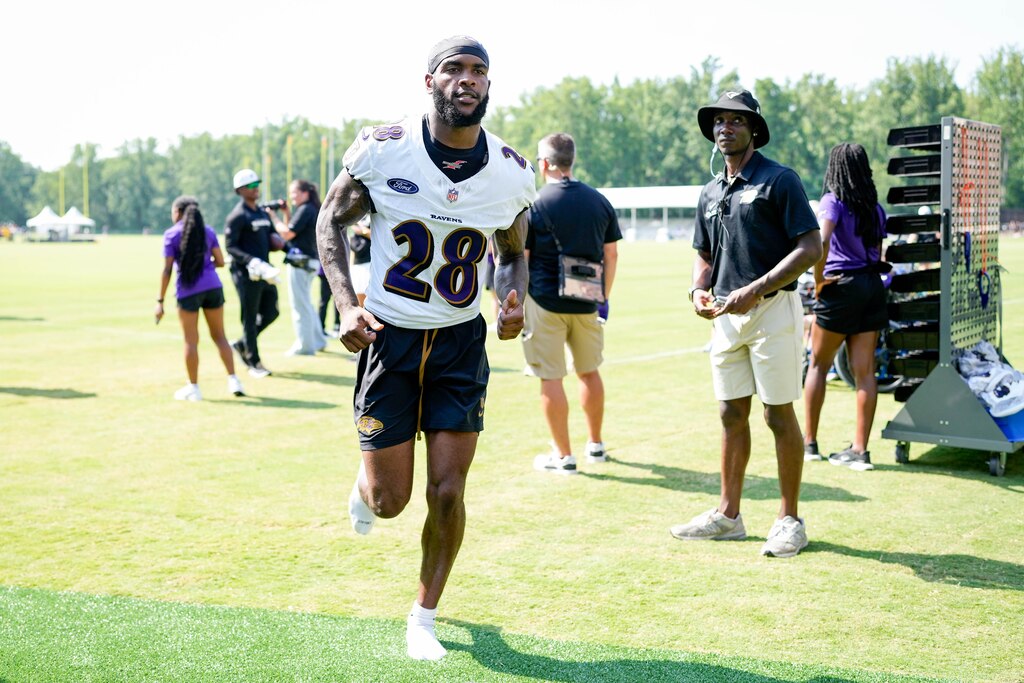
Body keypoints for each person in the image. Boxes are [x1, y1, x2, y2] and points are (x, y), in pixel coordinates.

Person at [315, 36, 536, 661]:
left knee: (448, 491)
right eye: (453, 69)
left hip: (460, 342)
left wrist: (512, 299)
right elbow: (330, 220)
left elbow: (513, 253)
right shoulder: (385, 149)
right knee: (390, 503)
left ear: (489, 85)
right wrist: (346, 305)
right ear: (430, 81)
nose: (468, 79)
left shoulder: (511, 172)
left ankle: (424, 617)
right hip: (390, 335)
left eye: (479, 71)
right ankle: (366, 484)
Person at [670, 90, 822, 558]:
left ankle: (789, 519)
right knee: (730, 413)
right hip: (725, 317)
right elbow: (703, 253)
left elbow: (810, 248)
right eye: (719, 120)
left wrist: (757, 288)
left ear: (754, 128)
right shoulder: (711, 190)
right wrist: (697, 289)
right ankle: (729, 517)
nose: (725, 128)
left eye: (736, 120)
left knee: (777, 414)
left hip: (772, 310)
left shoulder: (779, 179)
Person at [525, 132, 621, 474]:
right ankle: (595, 445)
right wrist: (603, 296)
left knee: (550, 377)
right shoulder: (598, 200)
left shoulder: (534, 202)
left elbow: (523, 258)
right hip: (588, 299)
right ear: (571, 160)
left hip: (544, 301)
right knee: (589, 371)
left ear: (545, 164)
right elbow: (611, 254)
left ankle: (564, 457)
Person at [803, 143, 888, 471]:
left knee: (818, 365)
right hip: (871, 286)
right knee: (864, 372)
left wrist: (819, 280)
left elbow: (821, 242)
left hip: (840, 286)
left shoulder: (832, 201)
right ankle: (860, 451)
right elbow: (878, 250)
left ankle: (810, 444)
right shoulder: (874, 207)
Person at [155, 195, 245, 400]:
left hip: (187, 290)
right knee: (220, 336)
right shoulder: (208, 231)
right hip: (213, 286)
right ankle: (234, 380)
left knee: (191, 341)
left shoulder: (171, 234)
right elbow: (220, 262)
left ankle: (194, 388)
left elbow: (167, 270)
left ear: (178, 212)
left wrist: (160, 301)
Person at [225, 168, 282, 378]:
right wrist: (251, 260)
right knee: (249, 318)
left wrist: (290, 251)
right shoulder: (237, 216)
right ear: (239, 190)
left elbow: (273, 238)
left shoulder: (261, 212)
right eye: (250, 185)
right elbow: (230, 246)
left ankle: (243, 343)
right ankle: (254, 362)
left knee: (272, 312)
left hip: (266, 271)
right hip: (246, 274)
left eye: (256, 184)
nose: (255, 188)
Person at [267, 179, 326, 356]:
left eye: (294, 192)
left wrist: (273, 216)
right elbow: (292, 230)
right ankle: (318, 341)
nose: (291, 196)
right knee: (306, 303)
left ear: (305, 193)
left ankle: (305, 346)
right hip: (310, 261)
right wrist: (286, 213)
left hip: (301, 263)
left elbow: (286, 234)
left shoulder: (306, 209)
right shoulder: (311, 208)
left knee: (300, 305)